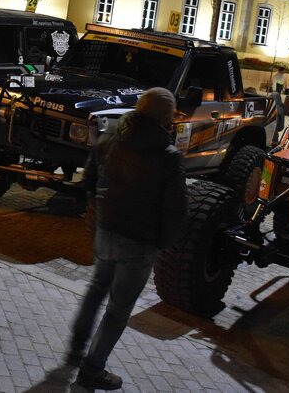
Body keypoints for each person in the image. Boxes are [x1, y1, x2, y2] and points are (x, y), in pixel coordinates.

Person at [68, 87, 187, 391]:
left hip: (107, 230)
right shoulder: (168, 157)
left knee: (97, 289)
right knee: (118, 309)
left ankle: (75, 349)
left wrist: (99, 211)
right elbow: (175, 211)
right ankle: (91, 370)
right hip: (139, 242)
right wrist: (160, 243)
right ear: (166, 119)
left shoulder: (112, 137)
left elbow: (90, 179)